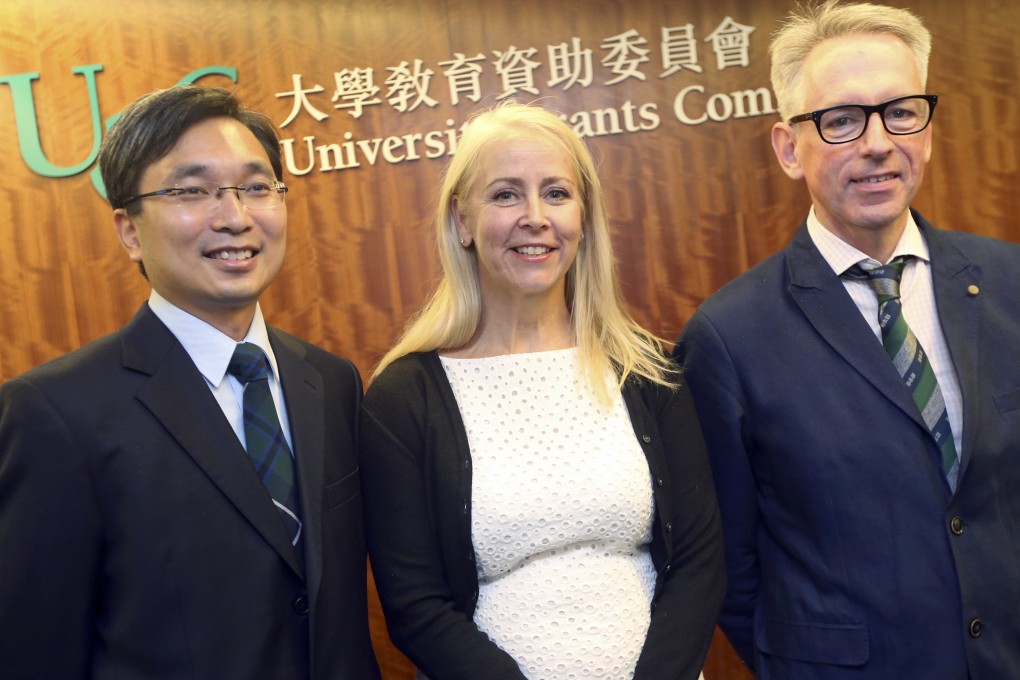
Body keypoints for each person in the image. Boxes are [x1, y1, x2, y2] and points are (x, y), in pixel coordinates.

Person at [674, 2, 1020, 678]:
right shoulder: (729, 336)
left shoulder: (1010, 283)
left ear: (927, 129)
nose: (877, 143)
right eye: (840, 120)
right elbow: (730, 563)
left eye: (900, 112)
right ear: (787, 148)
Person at [0, 85, 381, 679]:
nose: (234, 217)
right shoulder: (54, 412)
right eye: (191, 190)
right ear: (129, 231)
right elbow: (33, 650)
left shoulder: (330, 381)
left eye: (257, 188)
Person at [360, 101, 724, 680]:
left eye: (556, 193)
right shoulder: (404, 397)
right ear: (462, 221)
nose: (536, 216)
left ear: (584, 216)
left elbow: (701, 563)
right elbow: (416, 607)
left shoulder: (650, 372)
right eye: (505, 195)